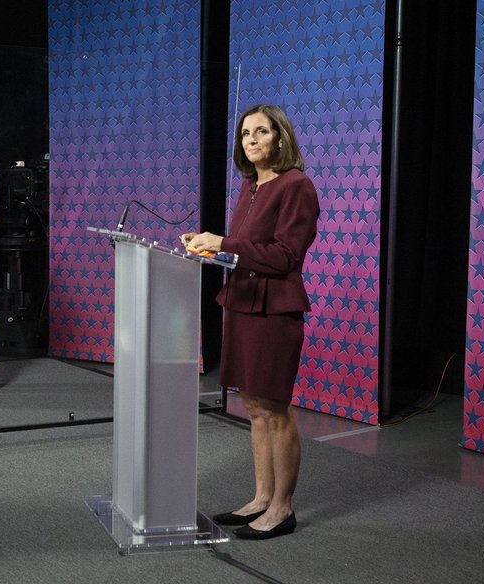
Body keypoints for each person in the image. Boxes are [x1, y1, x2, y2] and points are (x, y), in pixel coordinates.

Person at [182, 104, 320, 540]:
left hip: (274, 310)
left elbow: (285, 256)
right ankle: (261, 498)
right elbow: (244, 249)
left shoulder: (296, 185)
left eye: (262, 132)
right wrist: (211, 249)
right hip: (241, 302)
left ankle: (282, 508)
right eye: (245, 134)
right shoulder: (250, 185)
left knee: (275, 409)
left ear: (280, 137)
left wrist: (223, 241)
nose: (252, 140)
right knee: (255, 409)